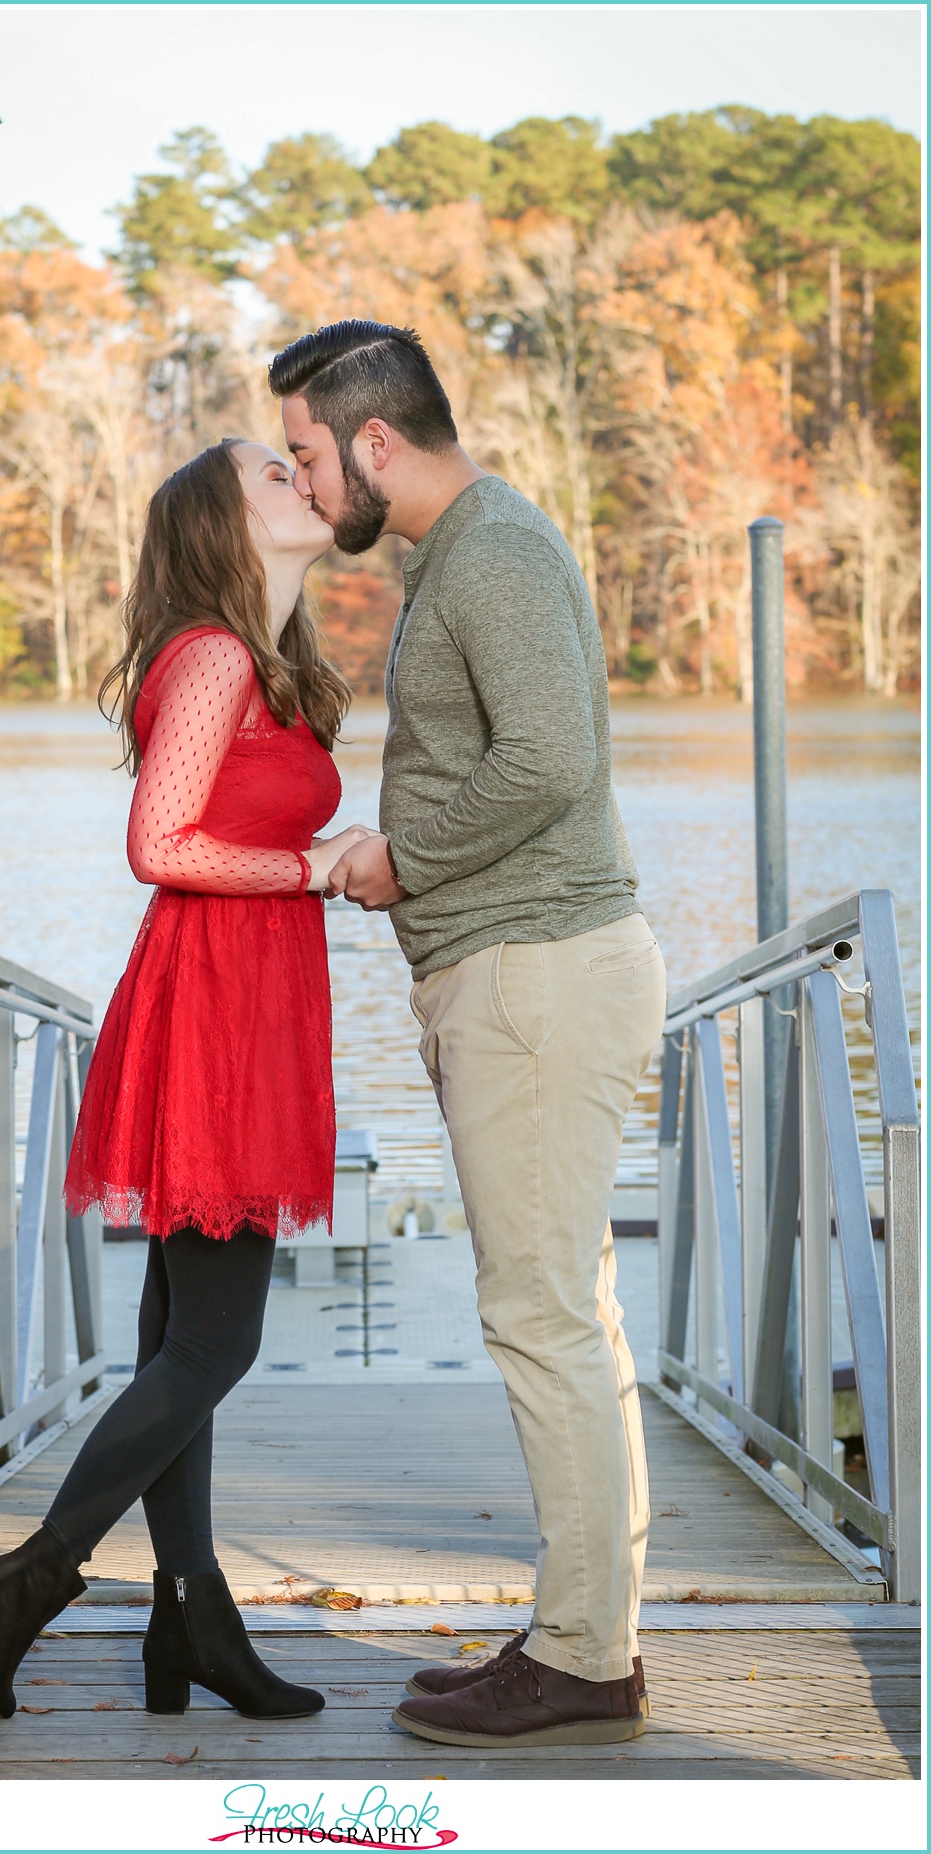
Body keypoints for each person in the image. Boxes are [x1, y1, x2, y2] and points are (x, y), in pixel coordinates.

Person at [0, 438, 373, 1723]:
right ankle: (29, 1579)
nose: (303, 481)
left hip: (247, 995)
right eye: (274, 476)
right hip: (219, 1008)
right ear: (222, 526)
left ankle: (191, 1625)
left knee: (180, 1340)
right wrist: (314, 869)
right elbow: (160, 841)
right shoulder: (217, 658)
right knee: (217, 1341)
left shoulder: (263, 661)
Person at [269, 321, 667, 1751]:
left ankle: (580, 1657)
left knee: (540, 1313)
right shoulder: (468, 548)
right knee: (567, 1307)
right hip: (525, 972)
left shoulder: (490, 551)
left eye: (312, 456)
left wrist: (399, 856)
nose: (309, 485)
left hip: (537, 974)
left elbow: (549, 762)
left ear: (377, 442)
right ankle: (588, 1634)